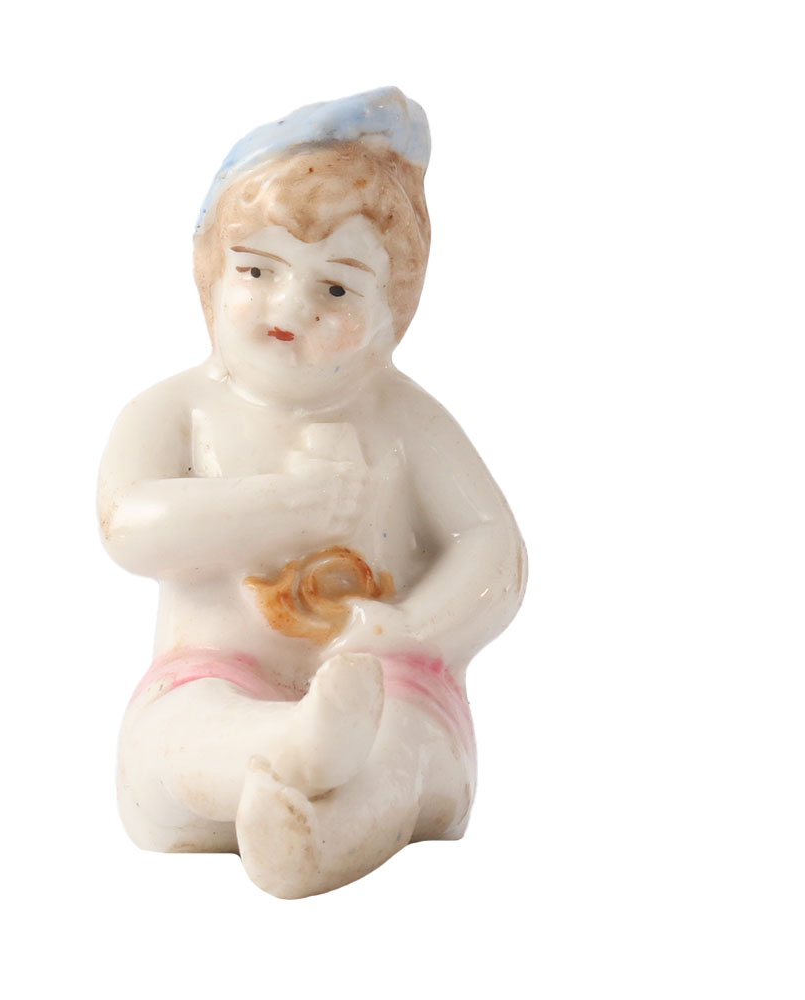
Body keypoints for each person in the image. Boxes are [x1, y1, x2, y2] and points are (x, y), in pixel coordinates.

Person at [98, 87, 526, 898]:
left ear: (393, 312)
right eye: (258, 270)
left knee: (402, 741)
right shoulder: (179, 410)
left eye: (336, 290)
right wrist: (284, 505)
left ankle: (322, 830)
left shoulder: (406, 420)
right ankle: (290, 753)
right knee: (176, 735)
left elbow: (493, 548)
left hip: (388, 680)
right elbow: (129, 524)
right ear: (209, 272)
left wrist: (413, 627)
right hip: (212, 674)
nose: (289, 308)